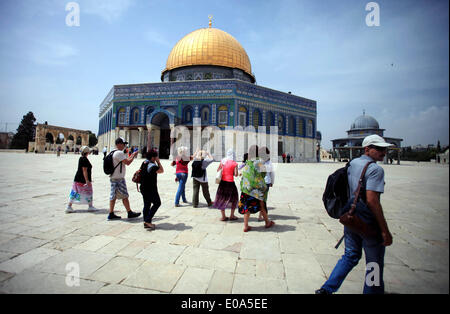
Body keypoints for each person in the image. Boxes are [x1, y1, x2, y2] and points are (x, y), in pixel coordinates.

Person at [315, 134, 394, 294]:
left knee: (350, 255)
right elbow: (372, 201)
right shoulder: (375, 169)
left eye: (384, 149)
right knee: (374, 264)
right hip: (367, 222)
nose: (383, 152)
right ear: (367, 149)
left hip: (350, 217)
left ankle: (326, 289)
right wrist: (384, 230)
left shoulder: (352, 164)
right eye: (379, 148)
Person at [238, 145, 275, 232]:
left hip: (246, 188)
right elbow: (263, 173)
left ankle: (246, 226)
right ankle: (267, 222)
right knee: (262, 205)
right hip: (256, 188)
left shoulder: (248, 161)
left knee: (246, 205)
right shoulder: (259, 162)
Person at [108, 137, 141, 220]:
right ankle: (128, 212)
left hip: (114, 177)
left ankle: (112, 213)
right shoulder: (119, 153)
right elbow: (128, 162)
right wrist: (133, 155)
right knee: (123, 196)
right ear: (119, 144)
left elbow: (125, 160)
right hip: (118, 179)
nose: (124, 146)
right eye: (123, 144)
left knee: (115, 196)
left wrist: (132, 155)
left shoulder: (113, 152)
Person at [66, 146, 96, 213]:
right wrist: (87, 180)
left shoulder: (81, 158)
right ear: (87, 152)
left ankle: (69, 206)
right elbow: (84, 170)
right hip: (82, 180)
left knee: (75, 192)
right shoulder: (84, 159)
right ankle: (90, 206)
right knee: (88, 191)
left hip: (78, 179)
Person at [140, 150, 164, 230]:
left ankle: (146, 222)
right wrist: (159, 162)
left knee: (147, 204)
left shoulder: (144, 163)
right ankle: (147, 220)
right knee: (157, 203)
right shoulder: (152, 166)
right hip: (150, 188)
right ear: (153, 157)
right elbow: (161, 171)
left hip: (143, 187)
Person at [213, 148, 239, 221]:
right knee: (234, 198)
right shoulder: (234, 163)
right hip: (230, 183)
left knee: (222, 198)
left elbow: (218, 170)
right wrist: (232, 172)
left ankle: (223, 216)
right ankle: (232, 215)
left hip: (223, 183)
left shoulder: (223, 161)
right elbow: (236, 174)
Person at [258, 146, 275, 221]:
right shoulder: (269, 162)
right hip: (267, 182)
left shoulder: (258, 162)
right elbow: (272, 174)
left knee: (260, 199)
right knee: (264, 199)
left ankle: (260, 215)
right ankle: (261, 215)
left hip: (259, 182)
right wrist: (272, 182)